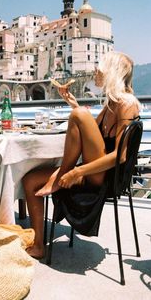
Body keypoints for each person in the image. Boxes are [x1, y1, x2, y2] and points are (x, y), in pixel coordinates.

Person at [22, 51, 141, 259]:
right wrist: (72, 103)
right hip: (93, 170)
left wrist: (77, 171)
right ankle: (38, 244)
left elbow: (120, 157)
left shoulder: (127, 104)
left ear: (110, 72)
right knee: (30, 180)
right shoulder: (111, 104)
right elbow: (89, 134)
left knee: (80, 114)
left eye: (99, 68)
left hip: (105, 176)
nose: (95, 71)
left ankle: (61, 176)